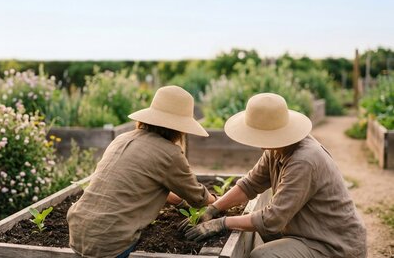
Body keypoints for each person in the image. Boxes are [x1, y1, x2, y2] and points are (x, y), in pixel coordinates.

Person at [184, 93, 367, 258]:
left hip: (333, 245)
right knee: (264, 232)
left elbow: (272, 219)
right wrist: (213, 209)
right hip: (309, 233)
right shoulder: (278, 148)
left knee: (263, 255)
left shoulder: (303, 160)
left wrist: (222, 223)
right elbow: (249, 184)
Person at [67, 85, 216, 258]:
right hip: (111, 240)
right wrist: (216, 202)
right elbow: (198, 198)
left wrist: (179, 203)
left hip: (78, 230)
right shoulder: (170, 153)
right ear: (180, 129)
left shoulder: (122, 139)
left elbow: (140, 182)